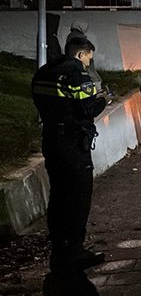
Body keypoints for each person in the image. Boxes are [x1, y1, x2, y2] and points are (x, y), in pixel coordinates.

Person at [32, 37, 107, 274]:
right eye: (88, 59)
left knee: (59, 195)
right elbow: (86, 109)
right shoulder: (75, 72)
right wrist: (103, 100)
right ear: (81, 54)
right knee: (78, 196)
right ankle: (74, 251)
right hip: (73, 143)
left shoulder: (45, 71)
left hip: (51, 139)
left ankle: (59, 250)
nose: (88, 64)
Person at [66, 20, 102, 92]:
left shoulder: (71, 36)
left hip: (76, 60)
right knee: (91, 73)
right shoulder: (78, 36)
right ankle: (97, 90)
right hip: (81, 60)